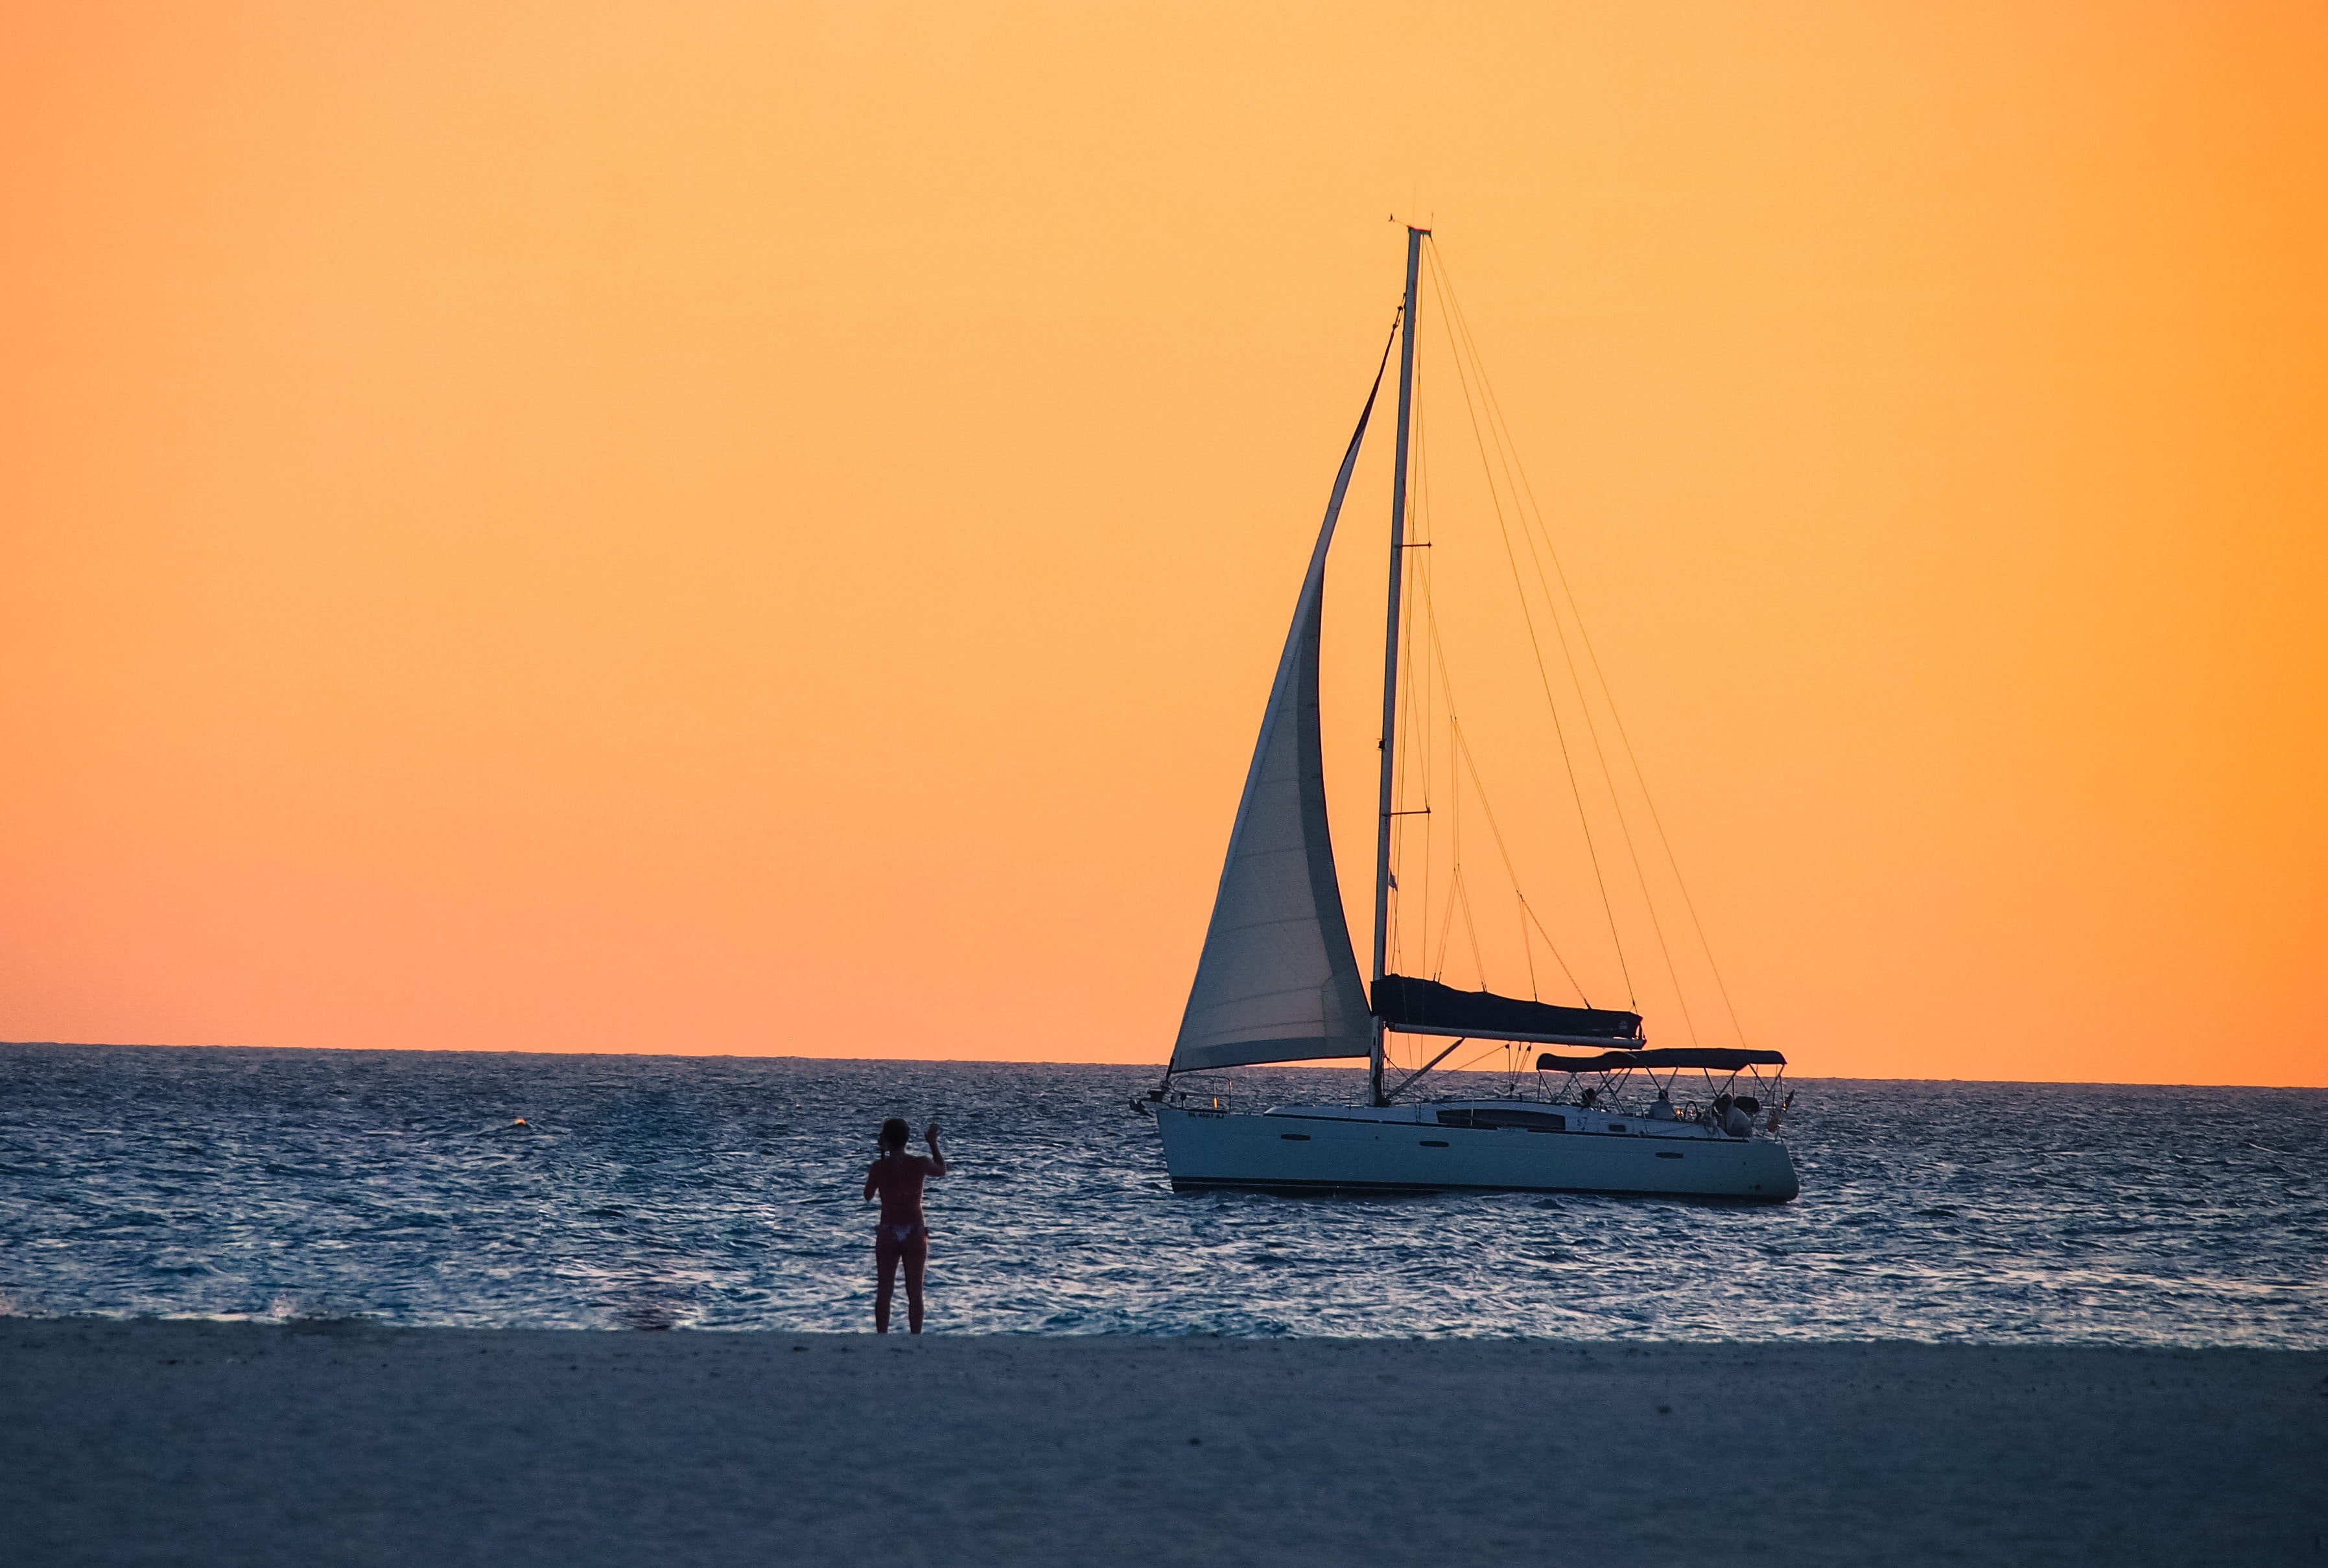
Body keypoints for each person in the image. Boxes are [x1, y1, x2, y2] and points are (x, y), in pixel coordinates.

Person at [863, 1117, 946, 1334]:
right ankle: (915, 1337)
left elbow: (868, 1195)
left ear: (886, 1141)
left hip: (889, 1231)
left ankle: (882, 1336)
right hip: (915, 1232)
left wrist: (882, 1158)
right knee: (915, 1292)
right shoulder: (920, 1163)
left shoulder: (879, 1167)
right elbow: (941, 1170)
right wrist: (932, 1143)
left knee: (885, 1290)